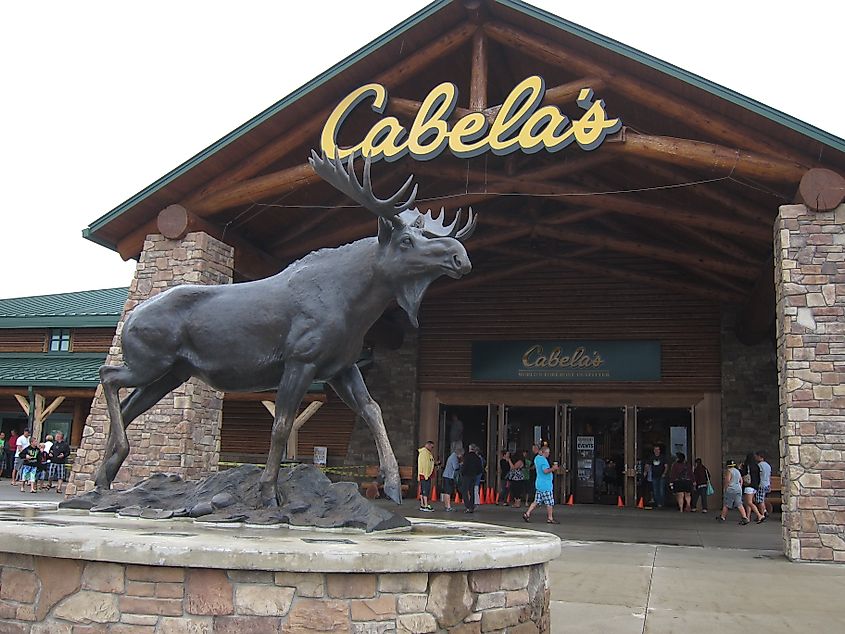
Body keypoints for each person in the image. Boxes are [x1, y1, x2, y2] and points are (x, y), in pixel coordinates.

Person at [522, 445, 560, 524]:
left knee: (536, 501)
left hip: (539, 483)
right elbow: (545, 471)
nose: (548, 454)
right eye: (547, 452)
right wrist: (553, 468)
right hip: (545, 484)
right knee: (549, 502)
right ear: (543, 452)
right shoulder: (543, 460)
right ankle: (550, 518)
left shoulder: (537, 459)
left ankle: (527, 513)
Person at [717, 460, 752, 524]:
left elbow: (727, 480)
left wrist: (725, 488)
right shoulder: (737, 471)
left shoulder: (729, 471)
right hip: (738, 489)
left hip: (731, 489)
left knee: (726, 504)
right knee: (739, 504)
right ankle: (744, 517)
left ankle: (722, 517)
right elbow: (741, 480)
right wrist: (739, 487)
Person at [740, 452, 764, 523]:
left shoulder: (747, 466)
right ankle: (748, 517)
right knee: (748, 503)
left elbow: (742, 474)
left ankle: (759, 515)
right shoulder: (756, 466)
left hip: (749, 486)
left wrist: (740, 468)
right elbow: (759, 477)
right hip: (755, 486)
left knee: (749, 502)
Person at [460, 444, 483, 514]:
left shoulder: (466, 457)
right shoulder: (477, 458)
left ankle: (468, 506)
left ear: (470, 449)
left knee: (464, 491)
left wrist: (462, 473)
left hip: (466, 476)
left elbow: (464, 466)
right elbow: (480, 469)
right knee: (471, 491)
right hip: (473, 476)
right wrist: (476, 473)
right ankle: (472, 506)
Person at [417, 440, 436, 512]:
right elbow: (425, 464)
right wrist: (426, 475)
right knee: (425, 490)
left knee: (423, 490)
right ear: (428, 445)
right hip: (425, 475)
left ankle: (422, 504)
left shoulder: (427, 453)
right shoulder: (425, 453)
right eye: (431, 447)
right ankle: (425, 505)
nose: (432, 448)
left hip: (425, 474)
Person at [442, 446, 463, 512]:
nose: (461, 456)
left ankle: (446, 506)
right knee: (448, 492)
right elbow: (455, 467)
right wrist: (460, 464)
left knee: (446, 491)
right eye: (461, 455)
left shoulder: (451, 456)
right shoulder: (454, 457)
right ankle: (448, 507)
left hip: (446, 475)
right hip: (449, 476)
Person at [754, 450, 772, 521]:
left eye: (756, 456)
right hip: (767, 484)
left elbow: (759, 475)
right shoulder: (768, 465)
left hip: (761, 484)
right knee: (762, 499)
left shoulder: (759, 465)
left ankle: (762, 514)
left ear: (759, 457)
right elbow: (769, 475)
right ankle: (764, 511)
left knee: (759, 500)